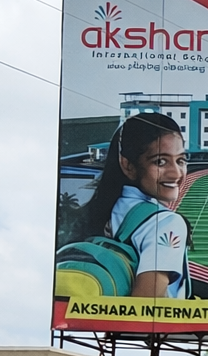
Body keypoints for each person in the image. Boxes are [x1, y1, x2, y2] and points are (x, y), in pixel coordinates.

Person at [74, 112, 191, 298]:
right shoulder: (167, 222)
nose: (175, 173)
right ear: (128, 165)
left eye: (181, 160)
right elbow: (146, 307)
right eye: (160, 161)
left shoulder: (105, 207)